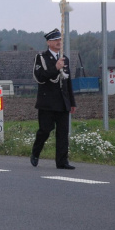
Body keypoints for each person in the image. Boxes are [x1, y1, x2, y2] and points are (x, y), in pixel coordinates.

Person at [31, 28, 77, 169]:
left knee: (63, 133)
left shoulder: (65, 59)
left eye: (60, 40)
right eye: (55, 40)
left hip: (62, 103)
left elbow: (68, 82)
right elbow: (40, 77)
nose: (58, 42)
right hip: (47, 103)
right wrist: (56, 68)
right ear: (48, 42)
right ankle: (36, 151)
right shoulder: (41, 58)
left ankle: (62, 161)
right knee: (45, 130)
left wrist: (72, 102)